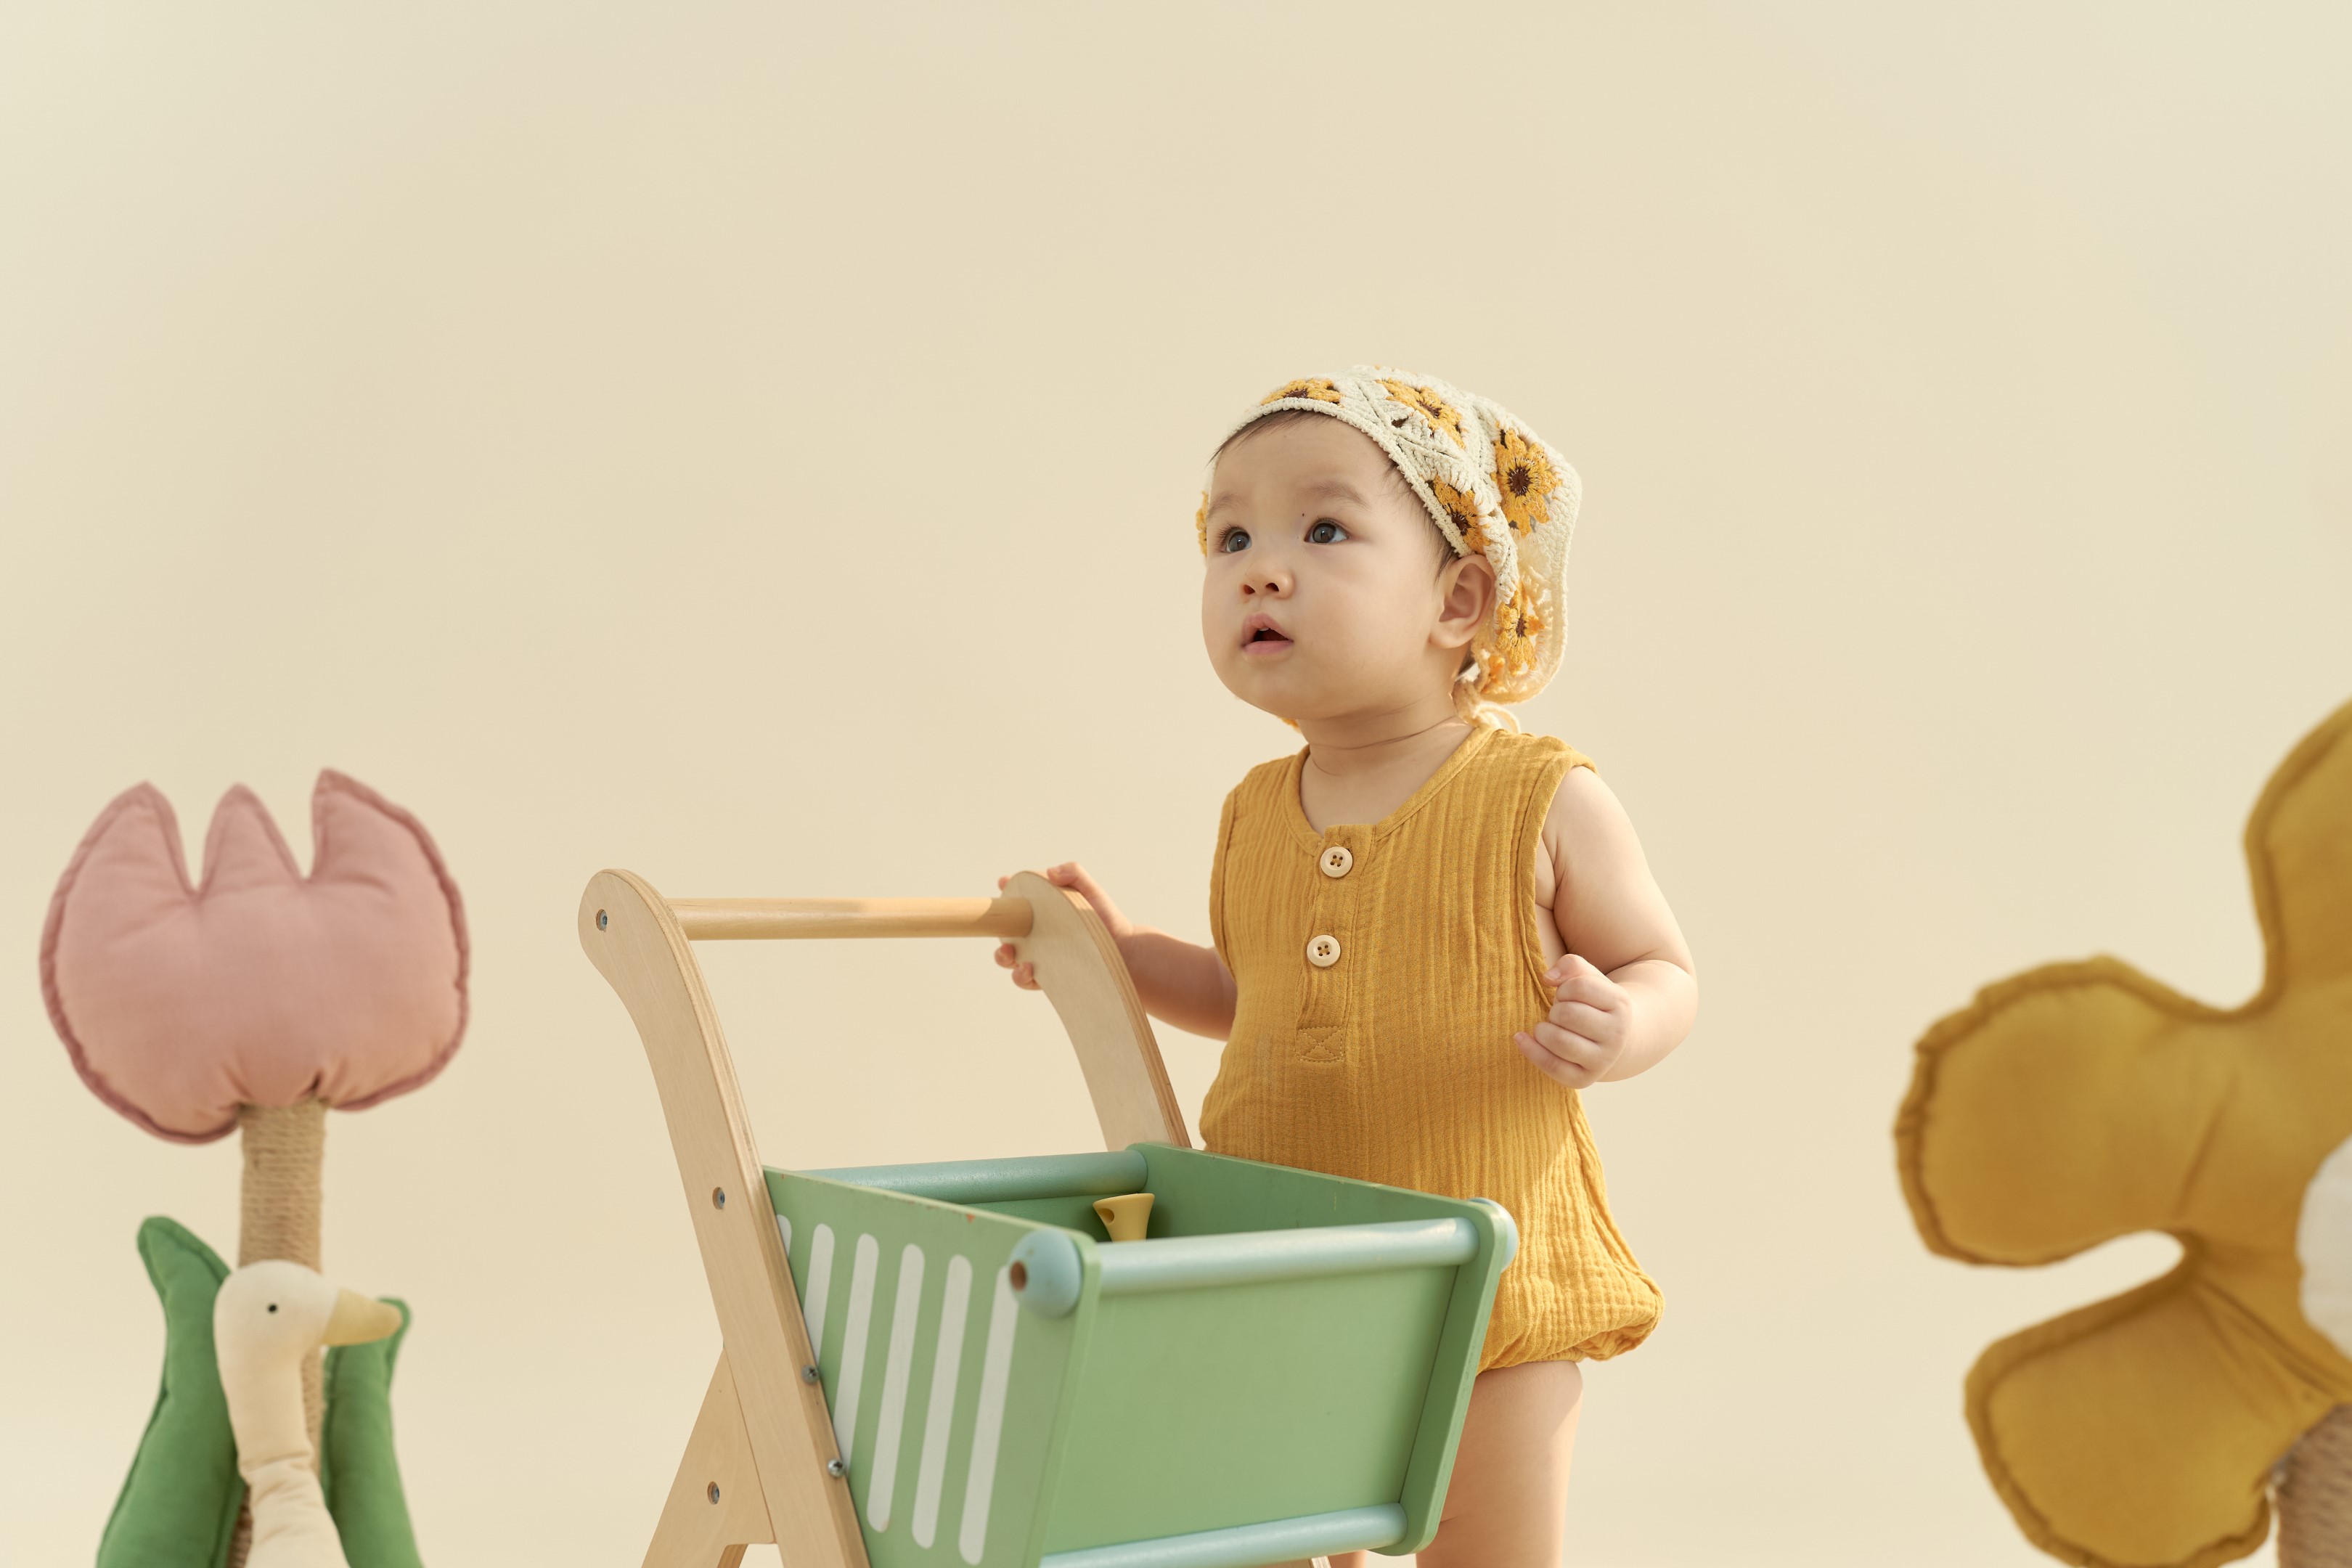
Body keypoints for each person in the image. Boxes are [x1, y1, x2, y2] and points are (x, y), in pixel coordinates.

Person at [997, 368, 1697, 1567]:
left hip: (1487, 1289)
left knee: (1489, 1546)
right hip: (1288, 1275)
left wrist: (1624, 1021)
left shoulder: (1539, 796)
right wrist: (1119, 956)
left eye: (1323, 530)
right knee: (1256, 1531)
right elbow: (1247, 998)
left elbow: (1662, 965)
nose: (1261, 570)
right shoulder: (1255, 812)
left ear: (1460, 600)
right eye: (1231, 538)